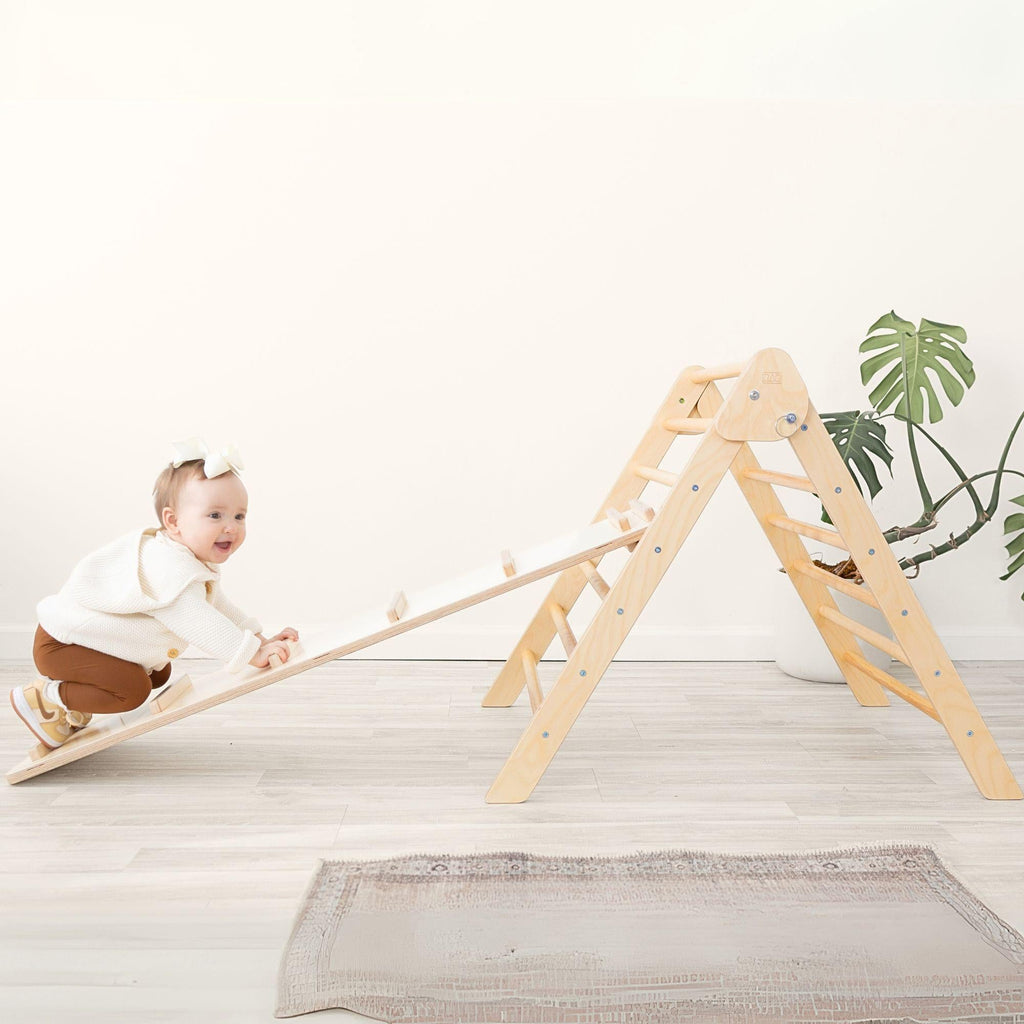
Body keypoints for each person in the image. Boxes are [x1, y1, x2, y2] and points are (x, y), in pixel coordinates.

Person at [9, 438, 299, 749]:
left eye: (239, 516)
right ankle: (46, 698)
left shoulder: (185, 558)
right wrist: (253, 654)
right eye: (215, 515)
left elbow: (219, 606)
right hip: (63, 646)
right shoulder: (168, 568)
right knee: (131, 690)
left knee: (159, 674)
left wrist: (260, 639)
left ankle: (74, 701)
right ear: (173, 521)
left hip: (84, 644)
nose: (231, 527)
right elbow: (199, 621)